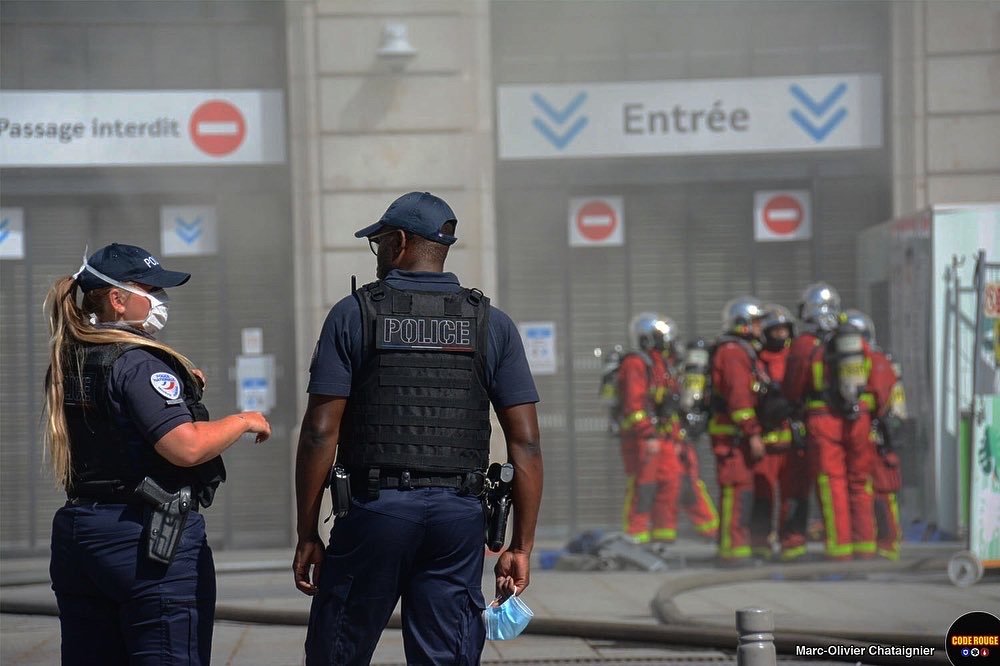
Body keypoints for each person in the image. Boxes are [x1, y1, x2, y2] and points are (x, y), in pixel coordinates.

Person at [293, 191, 543, 665]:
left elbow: (319, 434)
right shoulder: (491, 324)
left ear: (400, 242)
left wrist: (308, 532)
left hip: (375, 512)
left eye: (379, 243)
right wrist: (520, 546)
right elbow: (526, 443)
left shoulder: (354, 314)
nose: (379, 254)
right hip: (458, 518)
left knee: (337, 649)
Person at [44, 243, 272, 665]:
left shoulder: (70, 358)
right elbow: (185, 446)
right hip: (143, 540)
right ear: (117, 298)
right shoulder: (138, 364)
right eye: (151, 290)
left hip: (81, 533)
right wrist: (244, 421)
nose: (160, 301)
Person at [783, 284, 891, 561]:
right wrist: (871, 413)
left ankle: (840, 552)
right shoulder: (855, 339)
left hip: (824, 420)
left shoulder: (806, 343)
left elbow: (793, 388)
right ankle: (865, 549)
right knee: (859, 484)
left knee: (832, 485)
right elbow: (879, 382)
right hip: (860, 420)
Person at [707, 296, 768, 566]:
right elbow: (739, 398)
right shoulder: (733, 353)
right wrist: (752, 432)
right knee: (736, 490)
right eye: (756, 323)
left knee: (740, 490)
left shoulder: (741, 350)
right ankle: (732, 552)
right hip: (732, 435)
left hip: (735, 433)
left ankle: (733, 548)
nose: (760, 329)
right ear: (743, 324)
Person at [750, 304, 810, 561]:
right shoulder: (756, 360)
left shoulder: (796, 356)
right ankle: (760, 544)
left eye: (785, 330)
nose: (781, 335)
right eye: (775, 331)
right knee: (762, 496)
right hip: (766, 440)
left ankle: (793, 545)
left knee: (795, 496)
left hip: (793, 440)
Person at [844, 309, 904, 560]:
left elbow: (887, 402)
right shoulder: (856, 360)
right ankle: (866, 540)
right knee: (859, 491)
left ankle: (887, 543)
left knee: (881, 492)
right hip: (859, 435)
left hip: (877, 436)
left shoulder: (879, 360)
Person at [616, 312, 679, 544]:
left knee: (669, 484)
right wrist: (648, 434)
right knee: (643, 488)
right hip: (642, 439)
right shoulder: (635, 362)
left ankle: (663, 538)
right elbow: (634, 405)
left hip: (661, 437)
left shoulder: (659, 362)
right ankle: (636, 536)